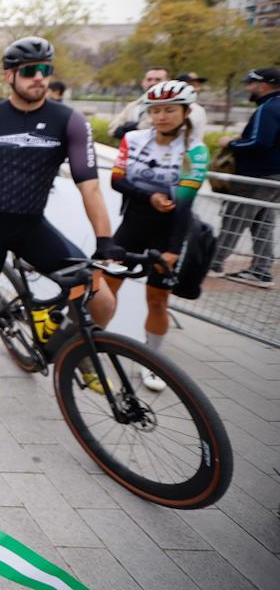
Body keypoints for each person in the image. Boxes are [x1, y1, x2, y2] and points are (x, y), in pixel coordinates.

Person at [0, 37, 121, 334]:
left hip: (32, 226)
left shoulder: (70, 121)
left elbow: (90, 187)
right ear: (9, 75)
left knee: (102, 299)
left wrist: (104, 241)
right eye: (30, 71)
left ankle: (70, 355)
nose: (40, 77)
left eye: (45, 69)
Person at [107, 81, 208, 390]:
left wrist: (175, 248)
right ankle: (86, 351)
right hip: (132, 226)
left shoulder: (195, 151)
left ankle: (152, 363)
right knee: (105, 289)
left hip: (167, 233)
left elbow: (185, 204)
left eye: (170, 110)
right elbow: (117, 181)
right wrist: (149, 197)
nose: (162, 116)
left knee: (157, 301)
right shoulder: (133, 139)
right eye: (156, 110)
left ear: (186, 112)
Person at [209, 67, 280, 288]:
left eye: (251, 83)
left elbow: (259, 142)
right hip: (274, 175)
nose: (248, 88)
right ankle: (261, 271)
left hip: (257, 174)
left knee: (234, 219)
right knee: (263, 223)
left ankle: (213, 263)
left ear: (264, 85)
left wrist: (230, 143)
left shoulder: (267, 108)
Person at [109, 66, 169, 139]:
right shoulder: (133, 105)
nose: (153, 83)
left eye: (158, 79)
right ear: (143, 83)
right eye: (149, 79)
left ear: (168, 82)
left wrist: (136, 127)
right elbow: (113, 127)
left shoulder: (174, 106)